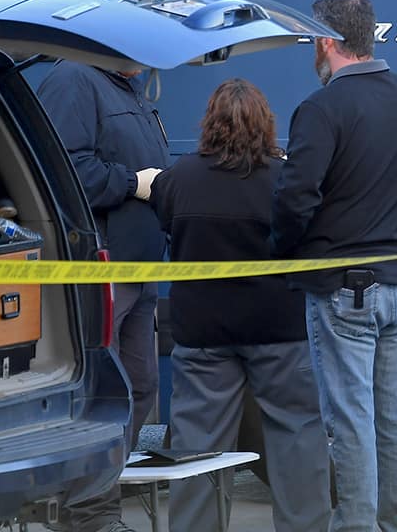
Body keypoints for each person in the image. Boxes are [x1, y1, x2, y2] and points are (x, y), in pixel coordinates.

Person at [270, 0, 397, 532]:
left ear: (327, 42)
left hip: (344, 286)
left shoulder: (321, 108)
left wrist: (283, 251)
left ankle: (358, 527)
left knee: (351, 421)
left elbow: (296, 196)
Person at [149, 79, 331, 532]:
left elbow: (166, 220)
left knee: (197, 446)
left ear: (209, 124)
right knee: (297, 436)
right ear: (265, 125)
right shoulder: (283, 178)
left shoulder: (179, 178)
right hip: (279, 328)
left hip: (203, 332)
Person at [38, 61, 168, 532]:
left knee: (139, 385)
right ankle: (86, 513)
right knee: (102, 392)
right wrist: (134, 183)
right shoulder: (72, 80)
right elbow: (65, 169)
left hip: (138, 267)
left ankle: (98, 498)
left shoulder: (126, 88)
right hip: (101, 264)